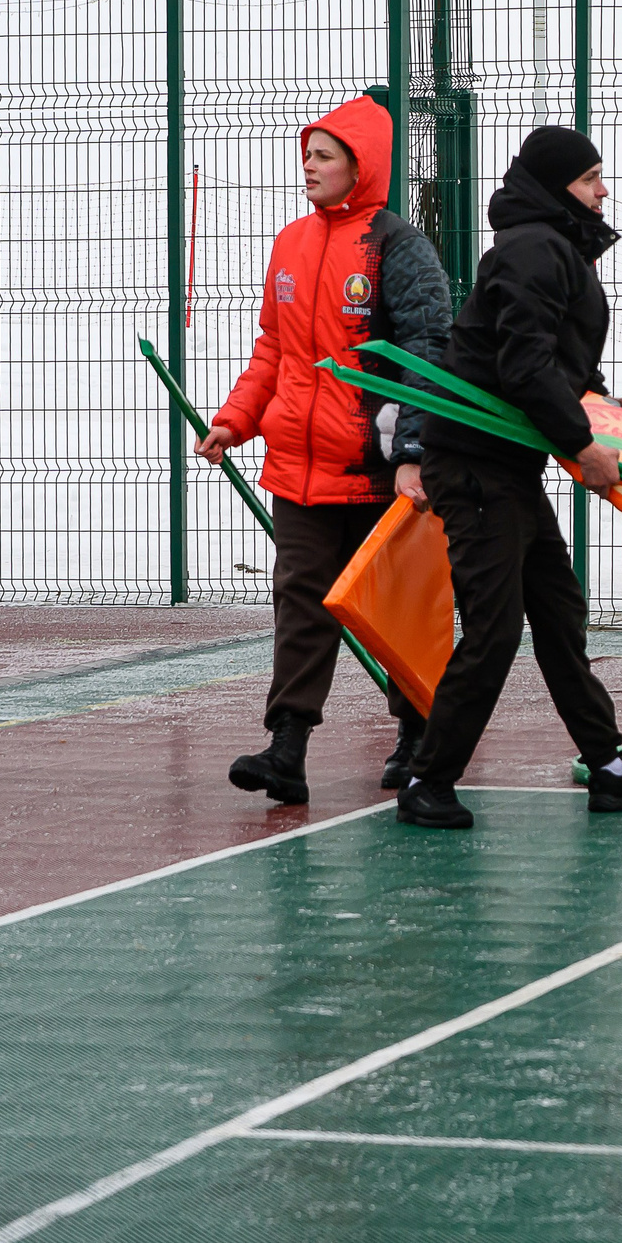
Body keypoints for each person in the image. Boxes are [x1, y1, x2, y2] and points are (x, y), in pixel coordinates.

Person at [396, 126, 622, 830]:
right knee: (496, 627)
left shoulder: (554, 249)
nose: (603, 190)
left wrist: (600, 406)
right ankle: (428, 776)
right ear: (556, 188)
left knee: (557, 611)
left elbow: (552, 356)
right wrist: (583, 445)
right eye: (590, 179)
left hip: (509, 461)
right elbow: (523, 366)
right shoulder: (533, 249)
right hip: (477, 464)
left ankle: (607, 764)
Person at [199, 91, 451, 805]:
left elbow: (427, 352)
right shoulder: (291, 241)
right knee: (300, 604)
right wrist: (235, 419)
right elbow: (275, 349)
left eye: (323, 156)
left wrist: (411, 452)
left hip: (378, 474)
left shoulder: (397, 245)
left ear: (359, 165)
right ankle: (287, 746)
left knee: (399, 610)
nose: (307, 166)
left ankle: (418, 735)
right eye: (306, 154)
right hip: (299, 473)